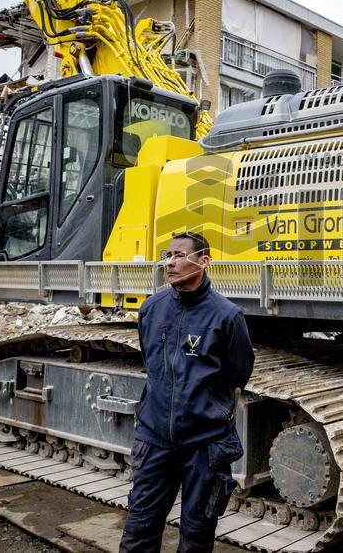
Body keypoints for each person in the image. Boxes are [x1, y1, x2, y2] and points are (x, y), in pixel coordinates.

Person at [119, 231, 255, 553]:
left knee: (196, 536)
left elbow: (239, 372)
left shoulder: (226, 316)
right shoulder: (152, 309)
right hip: (154, 440)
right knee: (139, 530)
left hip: (204, 445)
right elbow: (150, 362)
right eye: (168, 255)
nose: (171, 262)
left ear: (203, 261)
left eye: (180, 255)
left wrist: (210, 409)